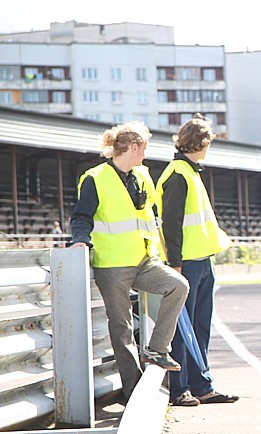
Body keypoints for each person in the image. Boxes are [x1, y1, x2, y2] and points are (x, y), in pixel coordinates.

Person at [70, 121, 189, 401]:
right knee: (121, 326)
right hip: (112, 264)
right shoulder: (95, 178)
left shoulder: (142, 176)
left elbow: (149, 216)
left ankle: (158, 349)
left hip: (144, 260)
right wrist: (79, 240)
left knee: (179, 286)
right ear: (134, 147)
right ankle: (133, 390)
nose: (146, 155)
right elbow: (81, 216)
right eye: (144, 148)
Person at [156, 113, 238, 406]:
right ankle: (180, 389)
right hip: (186, 263)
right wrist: (175, 263)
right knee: (183, 329)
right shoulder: (178, 174)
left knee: (201, 325)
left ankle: (202, 384)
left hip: (202, 260)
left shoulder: (191, 171)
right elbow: (172, 224)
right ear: (201, 143)